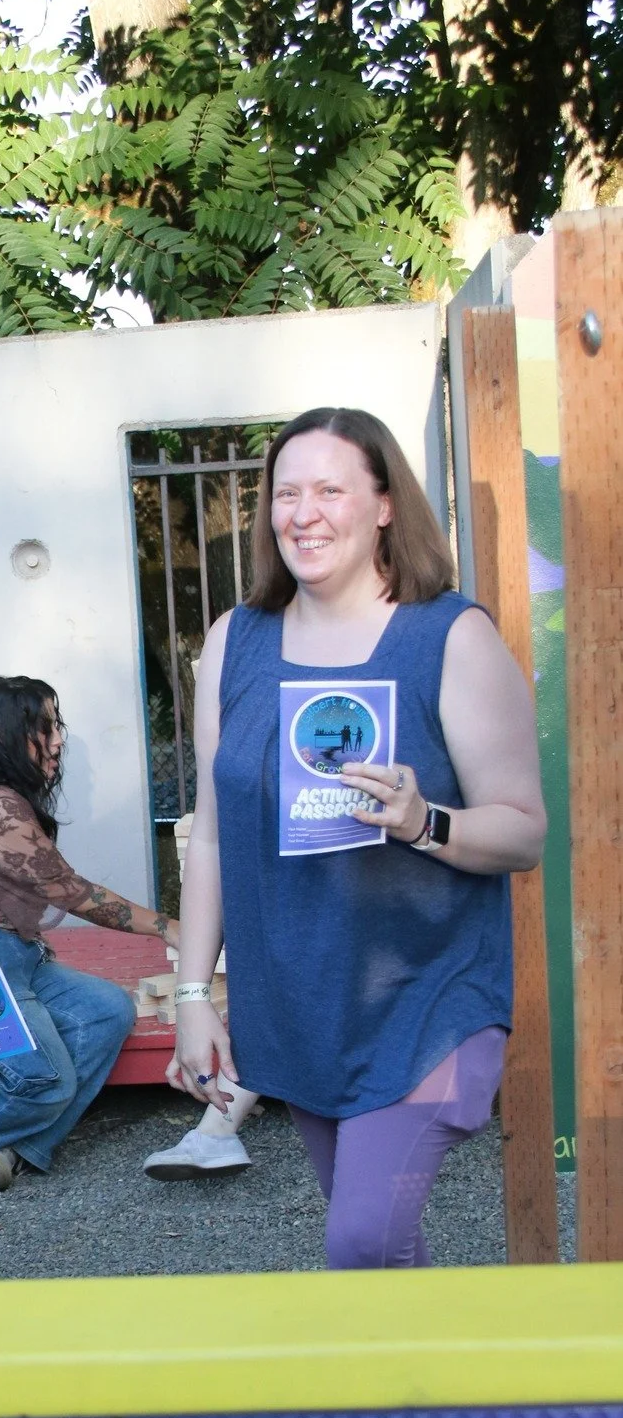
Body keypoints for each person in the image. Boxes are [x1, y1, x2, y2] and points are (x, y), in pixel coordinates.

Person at [168, 406, 546, 1268]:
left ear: (382, 505)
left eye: (330, 489)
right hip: (298, 1005)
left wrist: (424, 822)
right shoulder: (235, 643)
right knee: (382, 1254)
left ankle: (409, 1398)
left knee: (361, 1240)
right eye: (285, 492)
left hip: (427, 1001)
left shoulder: (449, 637)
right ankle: (431, 1401)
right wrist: (193, 998)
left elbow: (522, 832)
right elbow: (214, 840)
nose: (303, 512)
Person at [0, 676, 178, 1189]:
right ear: (8, 732)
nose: (59, 738)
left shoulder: (7, 796)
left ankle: (15, 1148)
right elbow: (72, 892)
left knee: (108, 1011)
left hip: (21, 954)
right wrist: (171, 928)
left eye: (57, 723)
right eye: (45, 726)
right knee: (47, 1084)